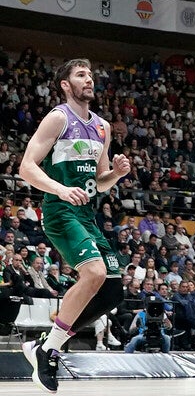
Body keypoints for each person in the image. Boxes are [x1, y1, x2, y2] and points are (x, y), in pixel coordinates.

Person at [18, 58, 130, 393]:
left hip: (87, 216)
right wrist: (61, 188)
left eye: (91, 75)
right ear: (66, 84)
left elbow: (101, 180)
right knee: (94, 273)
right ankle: (49, 349)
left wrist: (117, 174)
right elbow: (26, 167)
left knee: (112, 292)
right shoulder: (58, 118)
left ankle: (45, 345)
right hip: (60, 210)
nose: (89, 80)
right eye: (81, 75)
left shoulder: (103, 127)